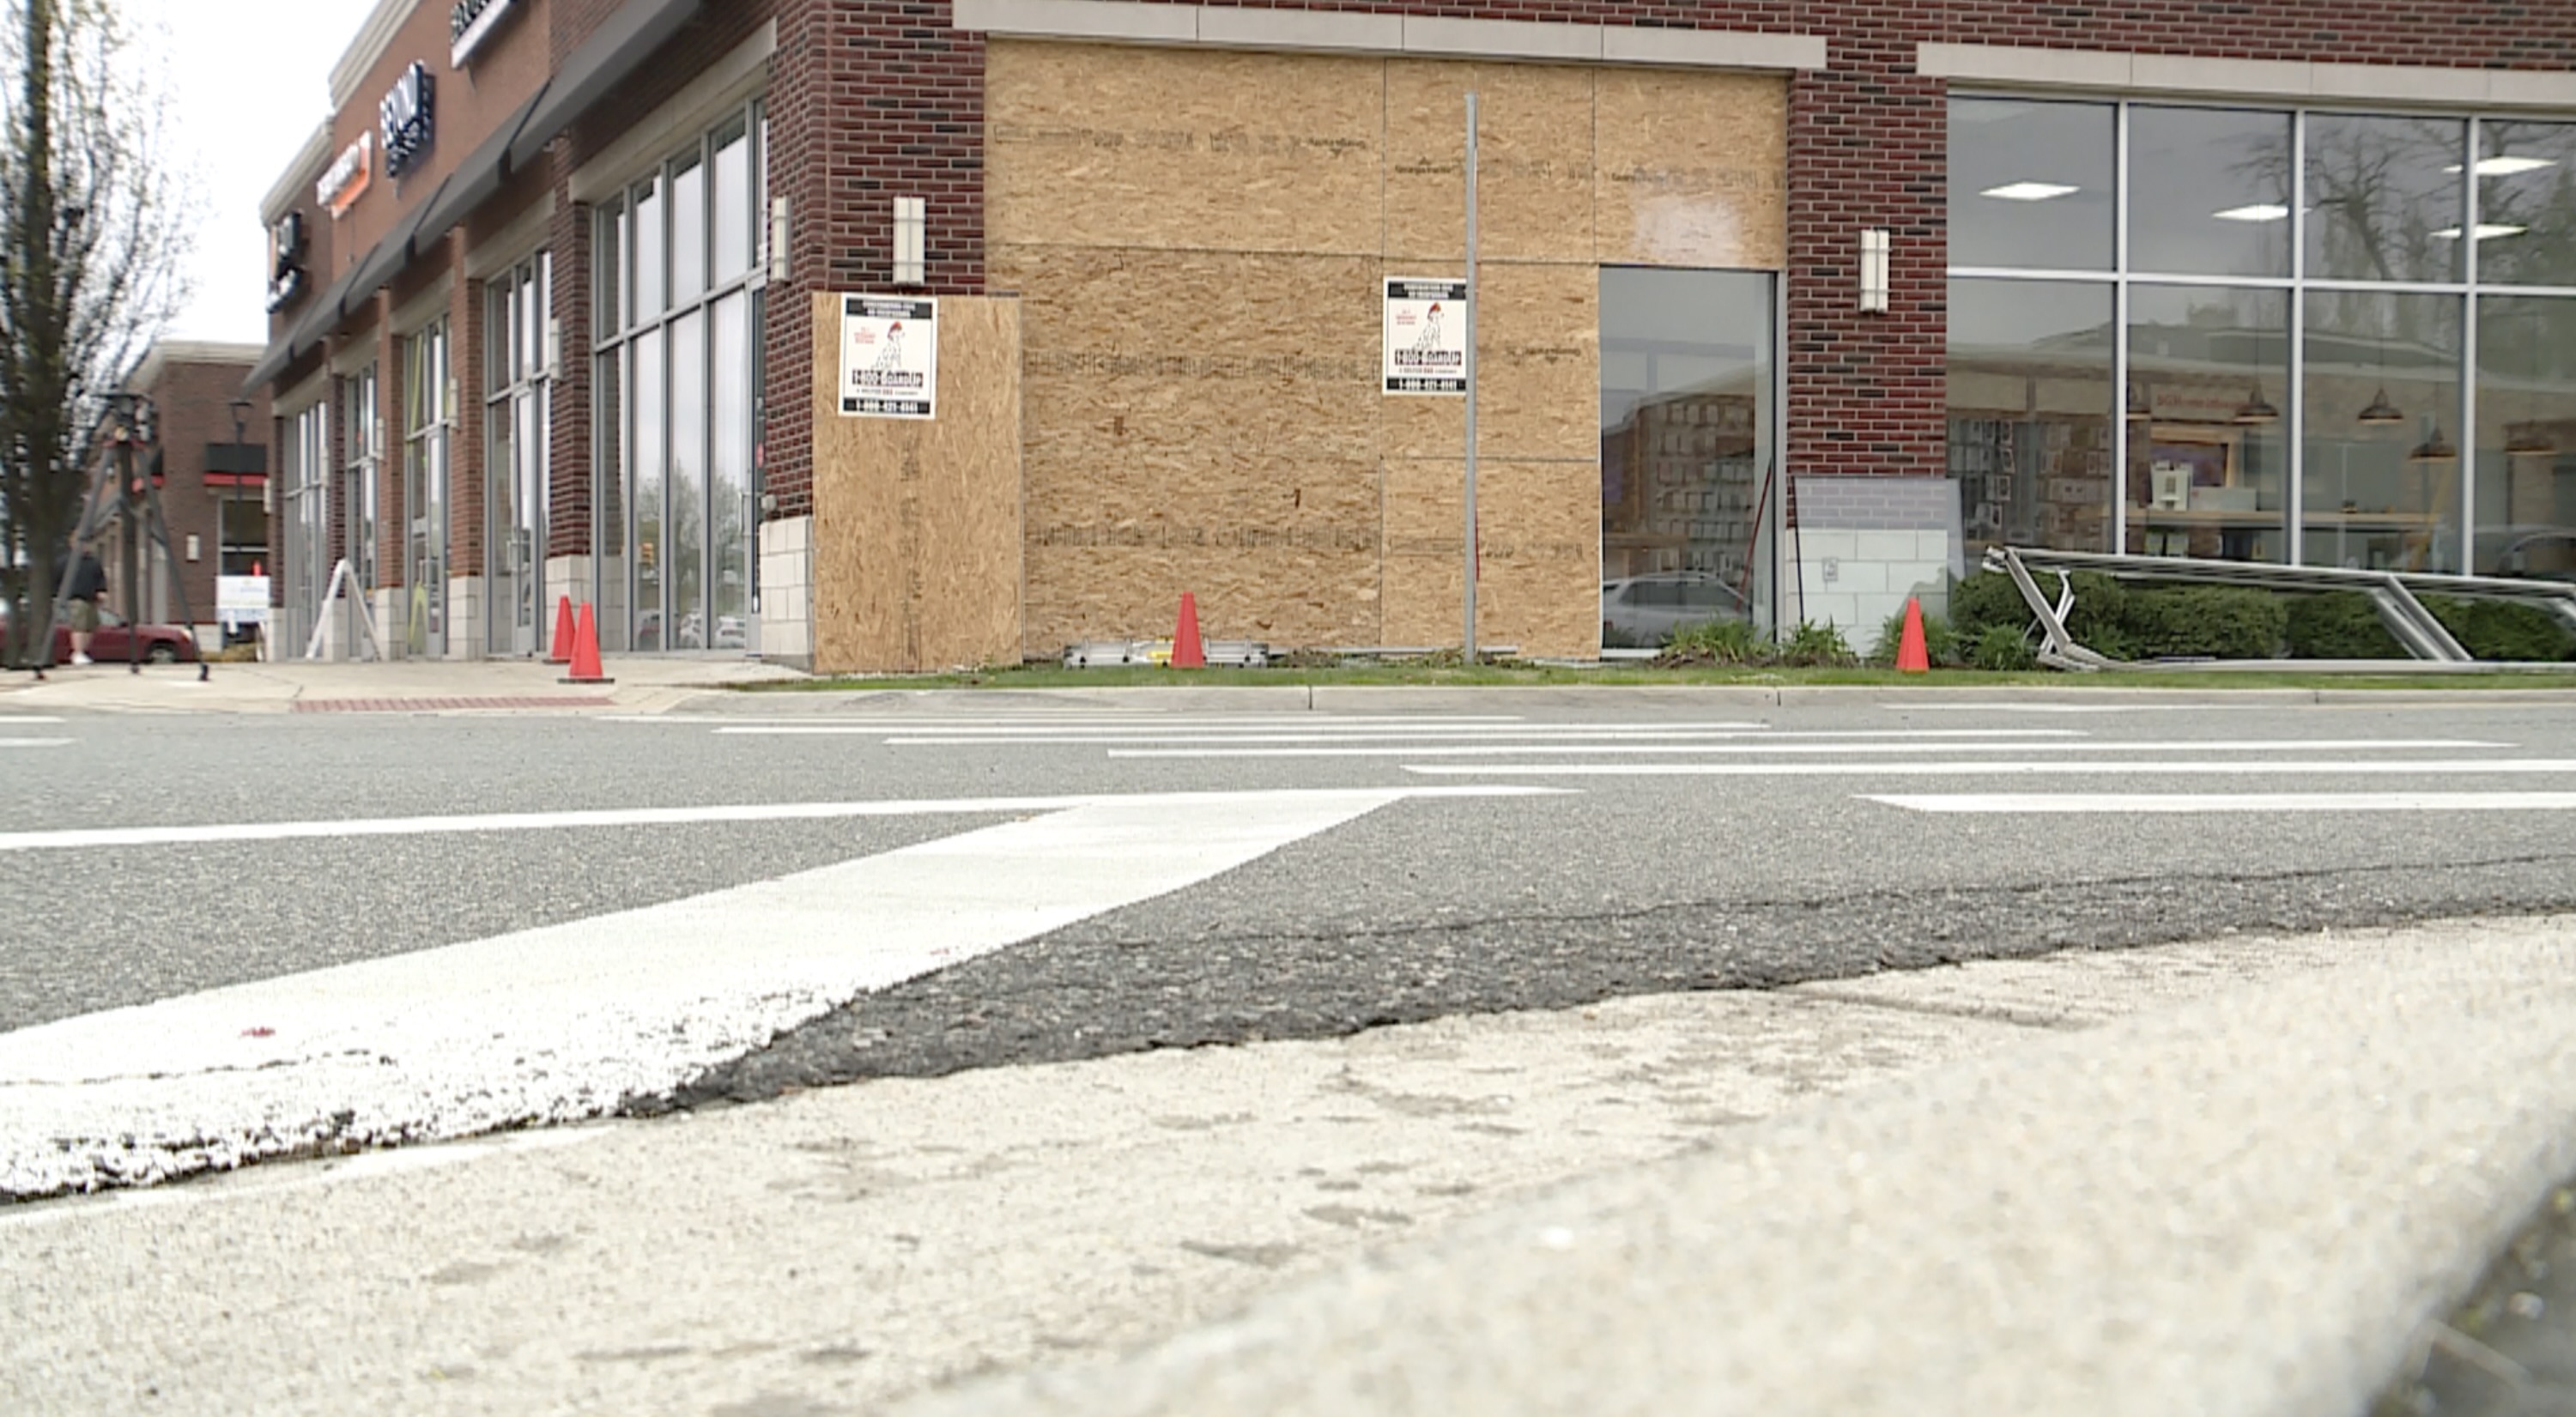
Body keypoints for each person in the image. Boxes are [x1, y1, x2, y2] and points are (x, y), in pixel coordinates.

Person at [65, 547, 106, 666]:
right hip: (76, 597)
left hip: (91, 598)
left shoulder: (94, 562)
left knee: (91, 625)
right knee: (79, 625)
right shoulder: (67, 561)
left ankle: (83, 651)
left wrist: (102, 590)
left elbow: (100, 578)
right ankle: (77, 652)